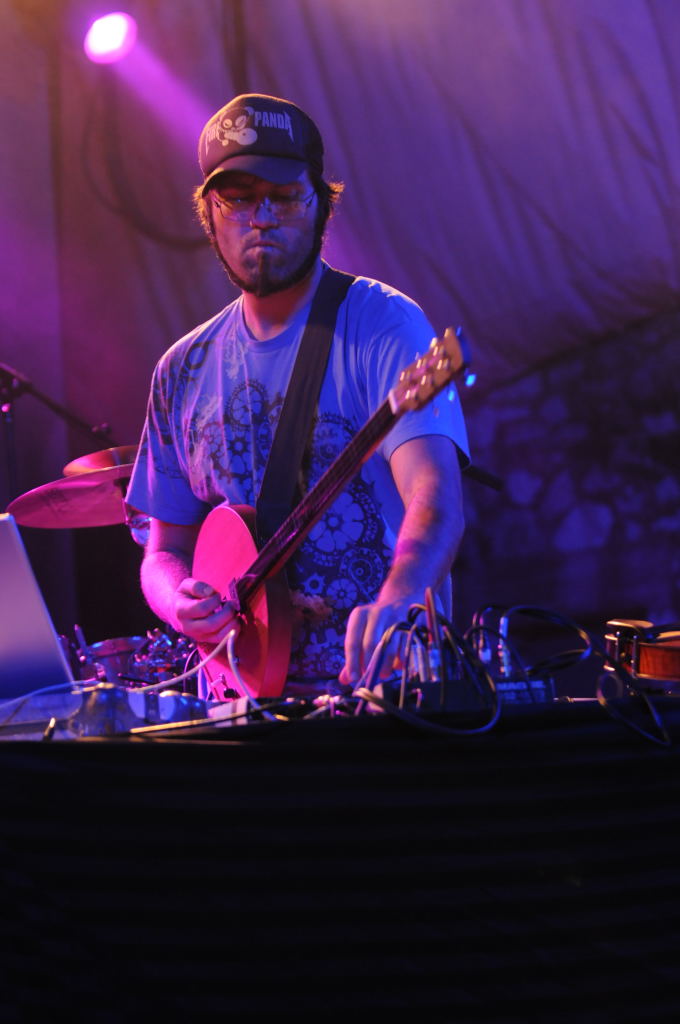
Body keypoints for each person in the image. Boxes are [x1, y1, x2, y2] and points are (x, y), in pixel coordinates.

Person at [126, 92, 470, 701]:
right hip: (238, 701)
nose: (261, 217)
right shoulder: (181, 369)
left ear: (321, 205)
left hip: (384, 696)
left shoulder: (383, 324)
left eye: (284, 196)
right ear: (209, 213)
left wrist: (397, 601)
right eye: (238, 198)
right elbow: (163, 551)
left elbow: (434, 496)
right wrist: (179, 601)